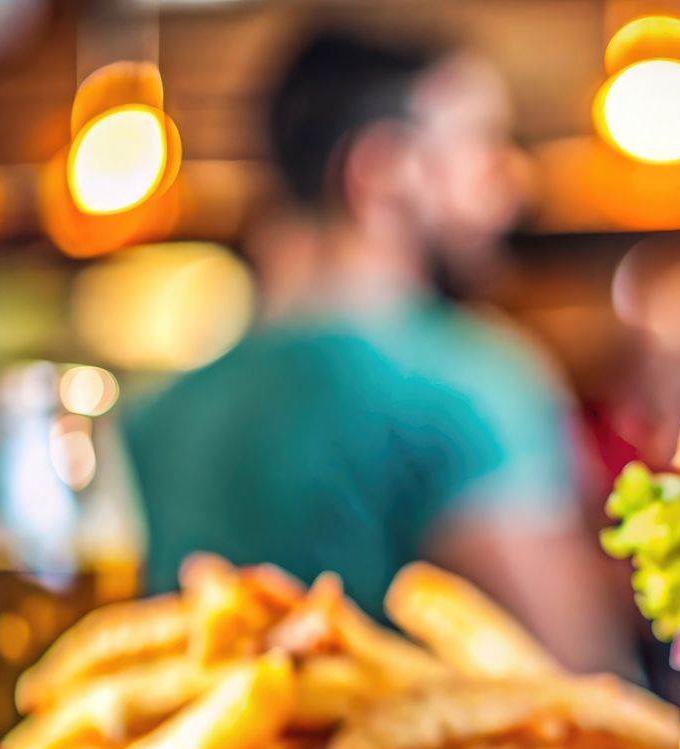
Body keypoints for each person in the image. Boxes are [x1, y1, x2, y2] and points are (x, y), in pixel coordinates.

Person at [125, 28, 629, 674]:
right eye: (481, 145)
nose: (513, 180)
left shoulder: (157, 413)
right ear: (380, 171)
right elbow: (589, 687)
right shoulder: (477, 379)